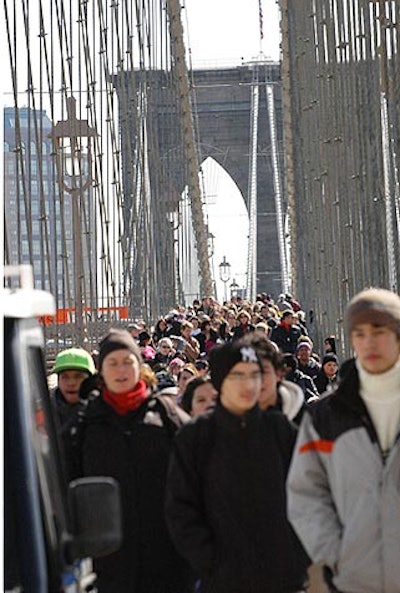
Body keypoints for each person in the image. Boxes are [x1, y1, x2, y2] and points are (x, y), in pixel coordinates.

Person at [165, 339, 309, 593]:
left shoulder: (280, 430)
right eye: (238, 376)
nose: (248, 384)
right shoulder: (196, 437)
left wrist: (298, 558)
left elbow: (309, 497)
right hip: (223, 580)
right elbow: (181, 509)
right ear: (220, 381)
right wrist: (212, 562)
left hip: (284, 578)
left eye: (254, 375)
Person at [287, 287, 400, 593]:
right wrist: (335, 554)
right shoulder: (325, 416)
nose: (369, 342)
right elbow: (305, 493)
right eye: (359, 333)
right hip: (352, 578)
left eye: (380, 330)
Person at [77, 328, 193, 593]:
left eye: (127, 362)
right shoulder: (85, 424)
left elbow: (199, 473)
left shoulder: (166, 417)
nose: (121, 371)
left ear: (139, 366)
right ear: (101, 372)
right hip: (110, 563)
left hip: (168, 559)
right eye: (112, 363)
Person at [51, 347, 96, 481]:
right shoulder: (45, 413)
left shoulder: (101, 411)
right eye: (65, 377)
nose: (71, 383)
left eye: (78, 376)